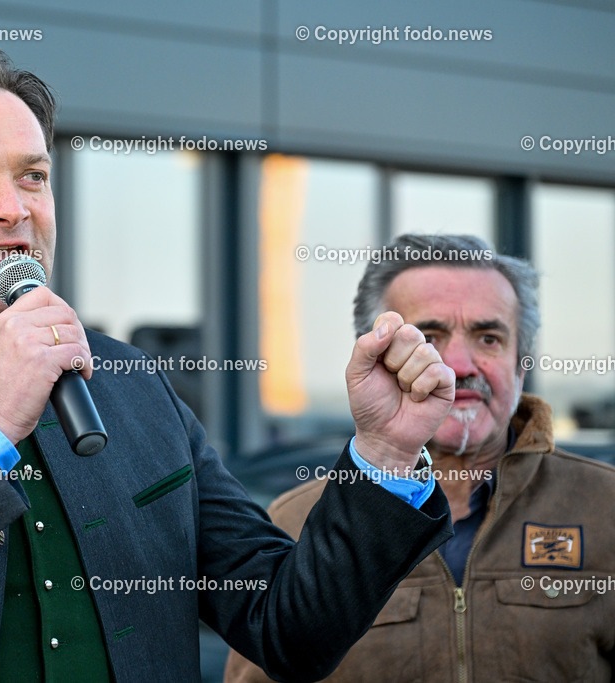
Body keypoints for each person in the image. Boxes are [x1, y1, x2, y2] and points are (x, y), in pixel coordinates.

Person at [0, 41, 456, 681]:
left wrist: (386, 453)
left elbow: (289, 631)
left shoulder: (131, 382)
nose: (15, 207)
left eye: (32, 175)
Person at [225, 234, 615, 682]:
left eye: (489, 338)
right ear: (374, 360)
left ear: (520, 365)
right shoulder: (296, 521)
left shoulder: (605, 505)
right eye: (428, 338)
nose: (458, 365)